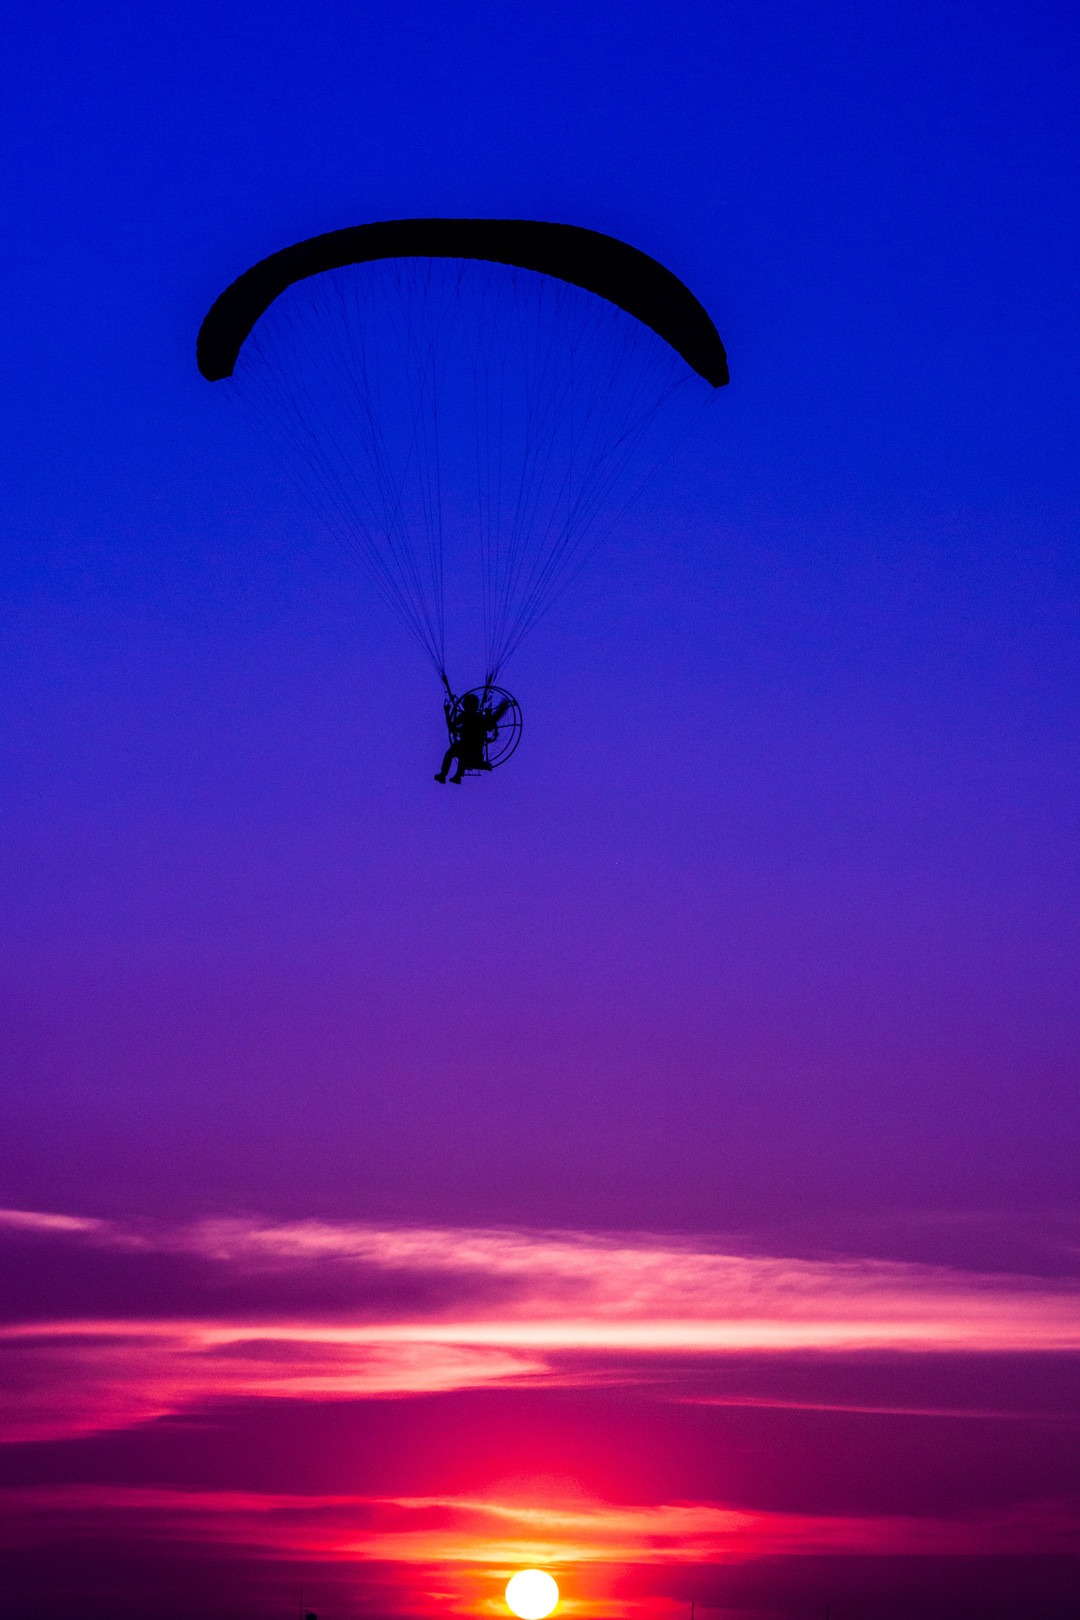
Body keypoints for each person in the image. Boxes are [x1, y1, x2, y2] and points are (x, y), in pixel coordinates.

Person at [435, 691, 508, 783]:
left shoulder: (465, 716)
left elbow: (451, 727)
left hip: (470, 749)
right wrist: (496, 712)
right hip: (472, 749)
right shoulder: (478, 717)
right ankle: (453, 776)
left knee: (454, 754)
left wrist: (447, 713)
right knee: (455, 753)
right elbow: (492, 723)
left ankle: (447, 775)